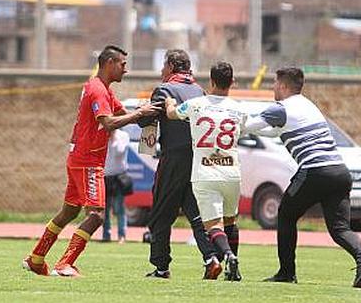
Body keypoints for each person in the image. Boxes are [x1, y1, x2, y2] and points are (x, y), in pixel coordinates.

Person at [23, 45, 159, 277]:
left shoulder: (101, 88)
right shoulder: (97, 89)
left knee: (68, 212)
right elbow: (108, 122)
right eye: (122, 65)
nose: (125, 70)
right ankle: (64, 264)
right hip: (88, 161)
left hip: (79, 157)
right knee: (96, 215)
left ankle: (36, 258)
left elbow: (120, 112)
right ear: (109, 63)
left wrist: (143, 112)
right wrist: (138, 115)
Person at [246, 66, 361, 287]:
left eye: (275, 84)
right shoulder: (308, 105)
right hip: (340, 172)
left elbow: (250, 125)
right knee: (340, 228)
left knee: (286, 214)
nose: (273, 88)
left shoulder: (282, 108)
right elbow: (272, 131)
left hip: (316, 171)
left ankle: (287, 273)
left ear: (283, 86)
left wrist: (228, 123)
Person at [164, 61, 250, 280]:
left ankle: (229, 256)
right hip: (232, 172)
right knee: (230, 221)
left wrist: (169, 102)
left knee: (212, 225)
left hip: (205, 173)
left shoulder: (196, 104)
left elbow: (173, 114)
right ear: (232, 82)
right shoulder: (239, 108)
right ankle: (234, 270)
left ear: (211, 81)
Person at [139, 49, 216, 279]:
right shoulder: (199, 90)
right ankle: (211, 258)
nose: (162, 71)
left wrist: (141, 110)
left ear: (172, 66)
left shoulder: (164, 90)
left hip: (173, 158)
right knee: (195, 212)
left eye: (164, 66)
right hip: (197, 158)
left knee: (160, 214)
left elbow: (146, 120)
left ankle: (161, 267)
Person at [102, 128, 130, 243]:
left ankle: (121, 235)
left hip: (119, 176)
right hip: (105, 175)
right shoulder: (102, 135)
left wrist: (113, 138)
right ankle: (106, 235)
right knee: (105, 208)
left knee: (119, 208)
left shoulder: (123, 135)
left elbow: (120, 152)